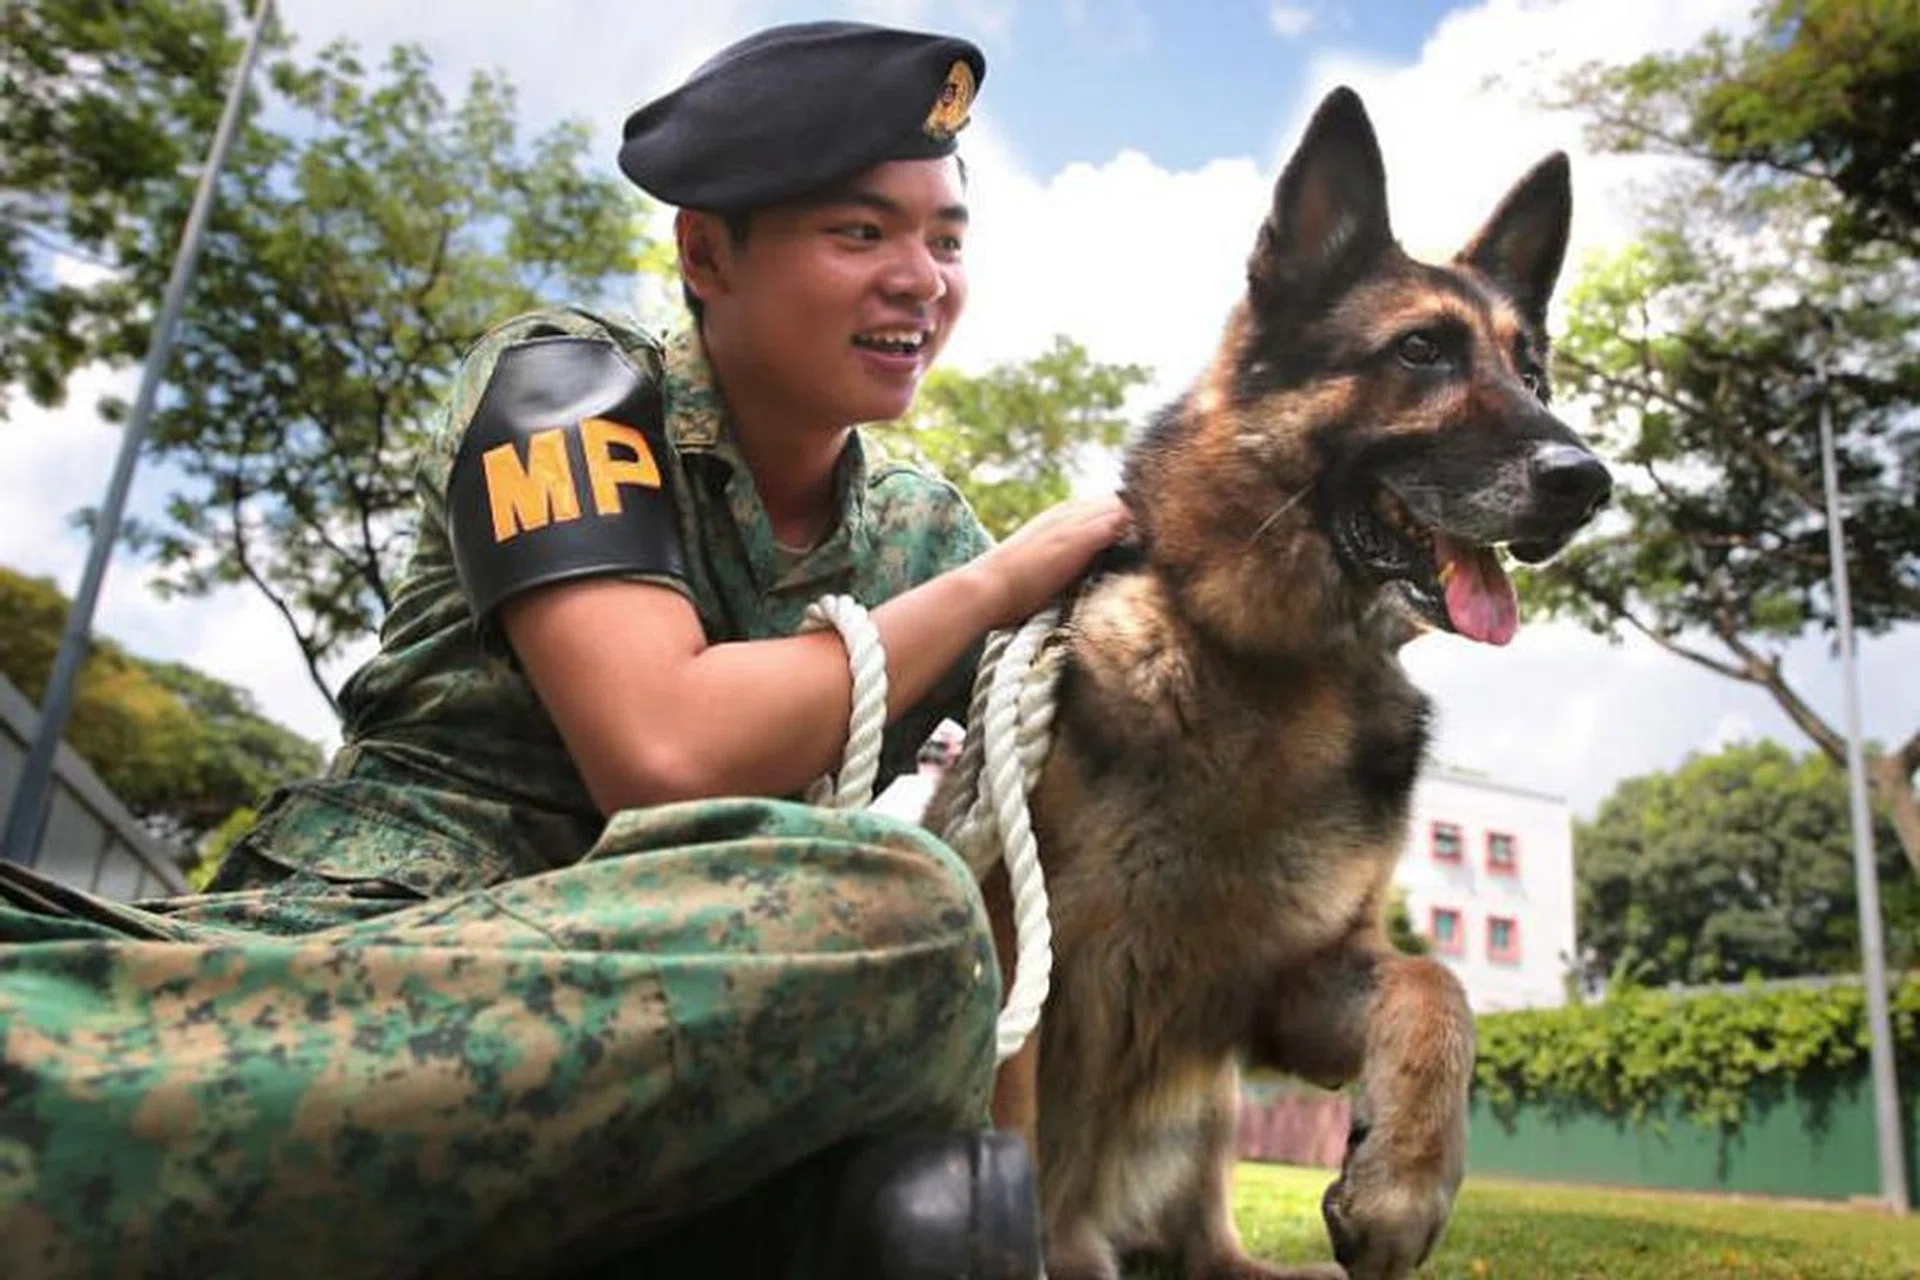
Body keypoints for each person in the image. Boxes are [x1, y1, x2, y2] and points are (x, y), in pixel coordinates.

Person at [0, 19, 1131, 1280]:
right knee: (901, 913)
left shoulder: (920, 531)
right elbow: (661, 748)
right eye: (860, 233)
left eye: (945, 239)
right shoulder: (564, 387)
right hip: (398, 945)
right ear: (706, 250)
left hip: (686, 1008)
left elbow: (1125, 741)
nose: (920, 277)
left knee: (920, 936)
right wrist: (994, 584)